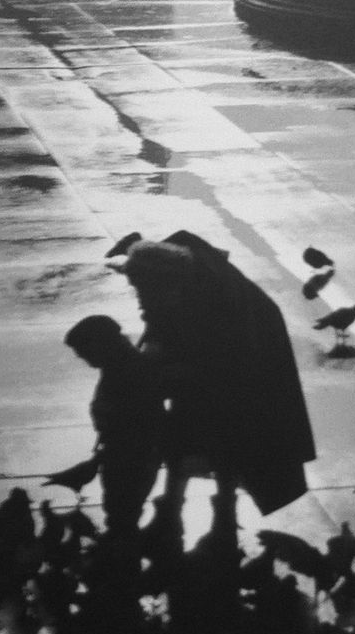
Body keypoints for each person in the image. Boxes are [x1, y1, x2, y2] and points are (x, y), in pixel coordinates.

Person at [121, 233, 314, 548]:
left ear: (166, 286)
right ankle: (170, 513)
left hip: (250, 361)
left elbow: (221, 368)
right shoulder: (174, 281)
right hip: (218, 356)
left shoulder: (216, 301)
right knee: (181, 427)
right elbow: (164, 327)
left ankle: (223, 519)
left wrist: (166, 370)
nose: (139, 298)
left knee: (227, 435)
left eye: (143, 291)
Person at [64, 315, 165, 542]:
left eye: (84, 351)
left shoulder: (129, 372)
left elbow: (134, 427)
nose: (82, 358)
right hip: (125, 454)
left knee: (122, 513)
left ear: (100, 344)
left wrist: (103, 456)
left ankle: (123, 556)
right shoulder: (118, 366)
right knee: (122, 513)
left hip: (131, 458)